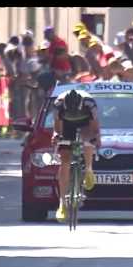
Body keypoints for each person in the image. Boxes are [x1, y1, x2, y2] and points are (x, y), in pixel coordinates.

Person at [52, 89, 102, 222]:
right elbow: (57, 129)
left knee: (88, 140)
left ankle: (89, 170)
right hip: (66, 124)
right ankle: (62, 203)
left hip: (85, 122)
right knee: (65, 159)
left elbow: (95, 128)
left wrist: (96, 139)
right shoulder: (58, 105)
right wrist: (57, 137)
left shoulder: (89, 104)